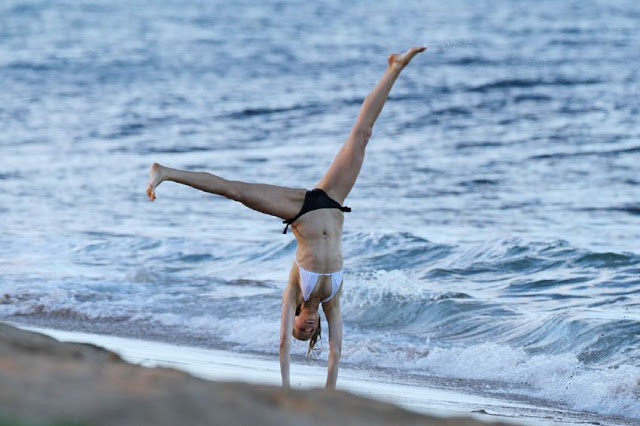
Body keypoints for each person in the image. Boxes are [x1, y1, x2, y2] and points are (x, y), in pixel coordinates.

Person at [146, 46, 426, 389]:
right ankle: (395, 68)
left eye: (298, 330)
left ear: (294, 319)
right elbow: (337, 350)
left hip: (299, 209)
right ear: (315, 326)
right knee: (362, 135)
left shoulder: (293, 292)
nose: (303, 330)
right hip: (334, 201)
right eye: (307, 333)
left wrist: (286, 392)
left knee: (235, 190)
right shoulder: (331, 299)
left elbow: (281, 347)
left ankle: (167, 172)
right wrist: (329, 396)